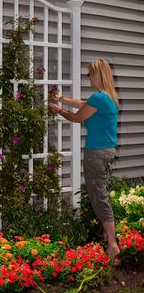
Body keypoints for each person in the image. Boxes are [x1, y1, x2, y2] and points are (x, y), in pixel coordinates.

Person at [49, 59, 120, 258]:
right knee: (100, 193)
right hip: (106, 151)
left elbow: (78, 117)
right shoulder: (108, 97)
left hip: (96, 154)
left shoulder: (99, 98)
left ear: (98, 74)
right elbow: (84, 104)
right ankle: (108, 237)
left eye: (89, 74)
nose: (88, 77)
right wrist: (62, 98)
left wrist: (59, 111)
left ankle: (112, 244)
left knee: (99, 196)